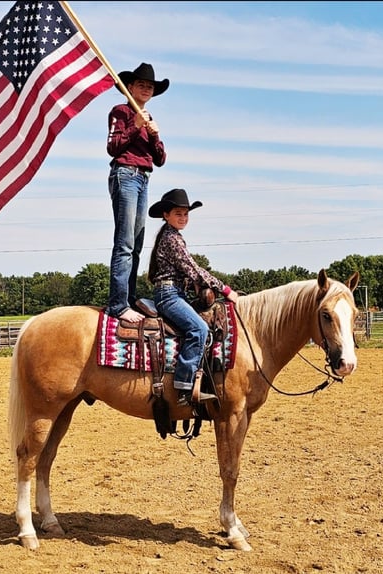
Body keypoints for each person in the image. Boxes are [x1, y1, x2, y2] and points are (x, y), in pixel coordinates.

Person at [147, 188, 240, 407]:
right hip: (169, 295)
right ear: (166, 215)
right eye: (178, 213)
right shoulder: (172, 239)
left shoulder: (172, 236)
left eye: (186, 214)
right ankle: (184, 386)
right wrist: (225, 289)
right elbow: (193, 269)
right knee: (199, 329)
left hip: (174, 292)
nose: (183, 218)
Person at [106, 62, 168, 323]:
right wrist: (136, 125)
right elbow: (113, 146)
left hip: (143, 178)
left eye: (150, 86)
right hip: (125, 173)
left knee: (137, 244)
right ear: (129, 87)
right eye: (141, 84)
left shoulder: (150, 119)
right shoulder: (120, 111)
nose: (146, 88)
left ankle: (129, 298)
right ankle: (118, 304)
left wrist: (154, 135)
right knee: (125, 243)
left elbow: (161, 159)